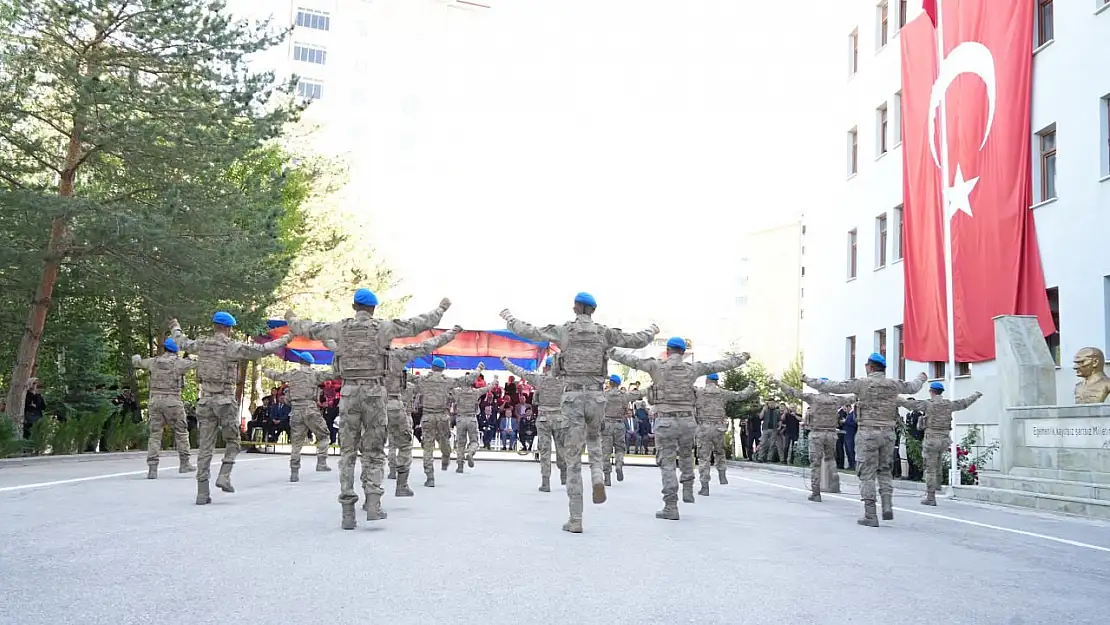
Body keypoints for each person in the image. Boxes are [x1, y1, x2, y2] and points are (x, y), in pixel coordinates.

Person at [286, 289, 450, 529]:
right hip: (375, 394)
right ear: (374, 309)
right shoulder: (383, 328)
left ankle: (347, 513)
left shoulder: (340, 328)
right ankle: (373, 504)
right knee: (374, 451)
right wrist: (441, 309)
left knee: (347, 452)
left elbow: (309, 328)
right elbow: (418, 324)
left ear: (354, 306)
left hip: (349, 394)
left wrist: (291, 318)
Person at [501, 292, 658, 533]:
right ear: (593, 310)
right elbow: (635, 340)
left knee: (572, 457)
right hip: (597, 397)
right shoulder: (604, 332)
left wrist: (509, 318)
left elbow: (530, 331)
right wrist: (652, 331)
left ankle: (576, 519)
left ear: (575, 308)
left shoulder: (564, 331)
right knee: (594, 440)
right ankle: (597, 473)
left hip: (572, 398)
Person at [608, 339, 749, 520]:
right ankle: (688, 486)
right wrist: (742, 358)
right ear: (683, 352)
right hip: (688, 422)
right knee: (686, 455)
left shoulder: (656, 366)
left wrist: (608, 350)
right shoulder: (692, 369)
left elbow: (629, 359)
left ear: (667, 351)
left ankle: (671, 506)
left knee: (667, 463)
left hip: (666, 421)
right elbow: (719, 365)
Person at [170, 313, 292, 505]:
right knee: (233, 441)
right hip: (225, 401)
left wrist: (175, 326)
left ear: (214, 326)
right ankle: (224, 475)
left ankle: (202, 492)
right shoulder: (231, 347)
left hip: (205, 402)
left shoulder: (202, 345)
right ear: (229, 328)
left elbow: (182, 342)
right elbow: (261, 350)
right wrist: (286, 338)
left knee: (205, 448)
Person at [330, 326, 460, 496]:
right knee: (404, 444)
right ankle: (402, 484)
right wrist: (452, 333)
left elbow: (333, 358)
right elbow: (427, 345)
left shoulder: (356, 352)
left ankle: (368, 495)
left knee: (370, 449)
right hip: (394, 405)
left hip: (368, 404)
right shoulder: (398, 355)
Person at [805, 353, 927, 526]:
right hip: (888, 433)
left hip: (867, 433)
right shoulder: (893, 384)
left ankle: (870, 514)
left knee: (867, 473)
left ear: (869, 367)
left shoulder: (862, 383)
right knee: (885, 470)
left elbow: (835, 386)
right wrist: (921, 377)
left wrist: (808, 380)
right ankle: (886, 504)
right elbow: (913, 387)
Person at [901, 382, 983, 506]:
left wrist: (892, 397)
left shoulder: (927, 404)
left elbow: (909, 404)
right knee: (938, 462)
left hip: (931, 440)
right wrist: (976, 395)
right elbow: (964, 403)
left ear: (931, 391)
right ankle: (937, 485)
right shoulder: (948, 404)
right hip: (944, 440)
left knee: (930, 468)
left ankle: (930, 497)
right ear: (941, 392)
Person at [262, 350, 340, 482]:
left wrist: (265, 370)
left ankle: (294, 471)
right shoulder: (315, 374)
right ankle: (321, 462)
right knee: (324, 434)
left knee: (296, 442)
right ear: (311, 363)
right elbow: (333, 373)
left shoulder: (292, 374)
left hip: (296, 410)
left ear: (299, 361)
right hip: (310, 409)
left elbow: (276, 375)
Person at [411, 357, 484, 486]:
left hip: (428, 416)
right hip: (443, 416)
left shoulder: (423, 380)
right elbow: (467, 379)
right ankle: (446, 457)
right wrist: (479, 369)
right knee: (444, 439)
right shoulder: (448, 381)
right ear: (443, 369)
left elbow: (408, 378)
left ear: (432, 368)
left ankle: (430, 477)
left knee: (428, 446)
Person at [777, 379, 853, 502]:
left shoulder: (813, 398)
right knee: (830, 458)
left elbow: (794, 392)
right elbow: (852, 398)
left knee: (815, 464)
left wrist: (779, 383)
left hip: (817, 433)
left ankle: (816, 493)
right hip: (831, 434)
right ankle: (833, 473)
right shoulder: (836, 400)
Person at [131, 337, 197, 478]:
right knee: (181, 432)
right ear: (176, 349)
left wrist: (136, 357)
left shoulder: (153, 362)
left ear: (165, 348)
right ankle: (184, 463)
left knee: (155, 435)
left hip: (154, 401)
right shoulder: (179, 363)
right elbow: (197, 364)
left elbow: (137, 362)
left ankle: (152, 469)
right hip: (173, 401)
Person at [502, 356, 567, 492]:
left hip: (544, 419)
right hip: (560, 419)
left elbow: (520, 371)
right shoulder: (564, 380)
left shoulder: (540, 379)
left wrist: (506, 362)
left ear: (547, 366)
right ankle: (564, 472)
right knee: (562, 448)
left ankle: (546, 482)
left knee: (545, 451)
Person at [693, 373, 755, 495]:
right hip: (718, 428)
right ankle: (722, 474)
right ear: (717, 381)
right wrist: (751, 385)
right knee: (719, 452)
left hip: (703, 428)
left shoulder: (698, 392)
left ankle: (705, 486)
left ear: (706, 380)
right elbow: (741, 395)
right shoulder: (723, 393)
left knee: (704, 458)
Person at [600, 375, 643, 486]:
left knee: (606, 452)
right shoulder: (624, 396)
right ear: (618, 384)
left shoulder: (604, 395)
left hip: (607, 424)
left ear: (610, 383)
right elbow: (636, 396)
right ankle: (619, 464)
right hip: (619, 424)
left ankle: (607, 477)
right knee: (620, 448)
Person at [452, 378, 489, 473]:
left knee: (460, 443)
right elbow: (488, 388)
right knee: (474, 441)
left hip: (460, 419)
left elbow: (448, 388)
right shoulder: (476, 392)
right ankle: (471, 452)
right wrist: (494, 381)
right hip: (472, 418)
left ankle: (460, 465)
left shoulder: (457, 392)